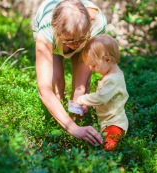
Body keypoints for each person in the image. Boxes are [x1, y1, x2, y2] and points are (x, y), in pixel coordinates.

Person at [32, 0, 107, 146]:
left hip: (82, 31)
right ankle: (59, 128)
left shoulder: (97, 25)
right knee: (56, 82)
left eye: (81, 40)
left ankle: (78, 126)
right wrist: (73, 129)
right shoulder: (46, 31)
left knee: (81, 90)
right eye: (70, 40)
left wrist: (79, 98)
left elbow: (81, 79)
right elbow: (44, 89)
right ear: (57, 32)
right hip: (54, 32)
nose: (76, 46)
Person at [76, 34, 129, 151]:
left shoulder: (113, 80)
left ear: (107, 59)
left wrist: (81, 99)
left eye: (94, 65)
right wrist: (90, 105)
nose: (91, 68)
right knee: (103, 142)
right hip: (108, 123)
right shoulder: (110, 76)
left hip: (114, 124)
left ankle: (109, 163)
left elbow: (101, 98)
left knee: (108, 147)